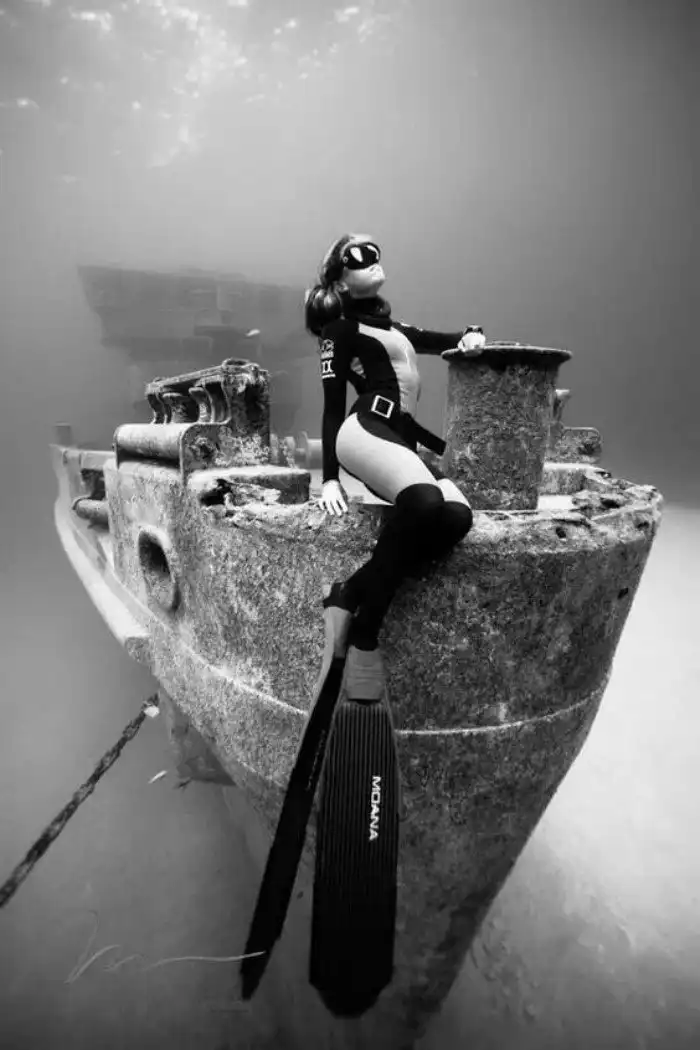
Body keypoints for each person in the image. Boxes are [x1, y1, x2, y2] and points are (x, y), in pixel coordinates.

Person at [304, 232, 485, 694]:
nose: (371, 259)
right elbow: (331, 405)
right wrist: (329, 480)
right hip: (362, 431)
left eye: (375, 252)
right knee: (424, 502)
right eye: (357, 256)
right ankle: (364, 637)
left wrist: (471, 336)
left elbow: (445, 340)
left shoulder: (396, 328)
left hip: (400, 442)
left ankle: (349, 593)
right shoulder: (338, 330)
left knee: (456, 518)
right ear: (339, 281)